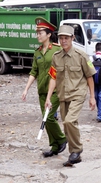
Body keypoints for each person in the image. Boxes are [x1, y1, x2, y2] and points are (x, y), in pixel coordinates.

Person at [45, 25, 96, 166]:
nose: (63, 41)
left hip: (78, 93)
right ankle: (74, 154)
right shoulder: (56, 57)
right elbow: (53, 78)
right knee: (68, 125)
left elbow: (90, 76)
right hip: (63, 95)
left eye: (66, 38)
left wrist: (92, 97)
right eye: (61, 38)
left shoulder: (81, 55)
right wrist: (49, 97)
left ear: (72, 38)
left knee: (69, 121)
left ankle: (76, 150)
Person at [21, 17, 67, 158]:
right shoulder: (37, 52)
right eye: (37, 33)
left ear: (48, 34)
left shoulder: (57, 50)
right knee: (45, 119)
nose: (38, 35)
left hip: (55, 90)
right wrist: (26, 89)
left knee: (50, 118)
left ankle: (61, 139)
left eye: (40, 32)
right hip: (42, 91)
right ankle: (54, 146)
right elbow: (34, 72)